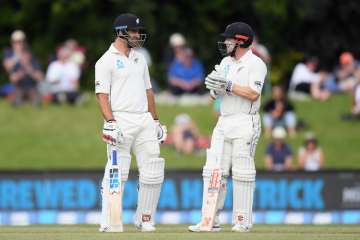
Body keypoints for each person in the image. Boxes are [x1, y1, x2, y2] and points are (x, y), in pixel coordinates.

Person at [189, 22, 267, 232]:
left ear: (241, 41)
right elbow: (216, 93)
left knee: (242, 172)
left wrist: (229, 86)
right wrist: (215, 88)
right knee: (214, 170)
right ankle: (209, 219)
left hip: (245, 120)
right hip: (224, 120)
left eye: (229, 39)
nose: (225, 42)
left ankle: (242, 220)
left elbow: (253, 93)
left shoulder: (256, 64)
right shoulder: (225, 62)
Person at [95, 13, 167, 232]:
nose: (137, 35)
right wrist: (110, 121)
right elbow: (102, 95)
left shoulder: (140, 58)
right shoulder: (105, 61)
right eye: (133, 31)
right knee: (119, 170)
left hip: (143, 119)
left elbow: (148, 91)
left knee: (152, 168)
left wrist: (155, 120)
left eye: (137, 31)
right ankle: (110, 220)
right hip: (121, 118)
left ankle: (144, 218)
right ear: (120, 33)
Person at [2, 30, 44, 106]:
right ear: (12, 42)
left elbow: (40, 77)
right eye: (16, 42)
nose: (19, 44)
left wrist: (28, 67)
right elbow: (8, 69)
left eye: (20, 42)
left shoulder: (31, 57)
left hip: (31, 86)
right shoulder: (8, 53)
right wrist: (19, 57)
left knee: (36, 101)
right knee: (17, 101)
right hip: (18, 87)